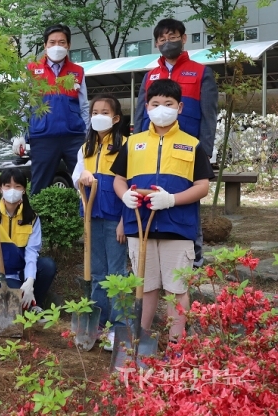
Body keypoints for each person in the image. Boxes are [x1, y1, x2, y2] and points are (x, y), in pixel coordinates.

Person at [111, 79, 214, 342]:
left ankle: (177, 344)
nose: (161, 109)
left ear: (179, 107)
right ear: (146, 107)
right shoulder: (133, 143)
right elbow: (118, 179)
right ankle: (140, 340)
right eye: (156, 104)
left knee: (177, 290)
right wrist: (126, 197)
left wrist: (172, 200)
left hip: (177, 227)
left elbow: (202, 186)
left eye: (168, 104)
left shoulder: (192, 144)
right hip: (139, 226)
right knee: (144, 288)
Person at [133, 18, 218, 268]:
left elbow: (209, 117)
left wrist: (205, 152)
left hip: (187, 150)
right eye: (161, 39)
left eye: (172, 36)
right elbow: (140, 116)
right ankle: (151, 254)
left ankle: (194, 256)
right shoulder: (150, 76)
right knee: (151, 197)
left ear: (184, 38)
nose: (167, 42)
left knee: (188, 200)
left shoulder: (202, 72)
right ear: (156, 43)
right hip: (152, 150)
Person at [71, 94, 127, 350]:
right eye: (94, 112)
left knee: (116, 273)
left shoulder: (126, 146)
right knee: (96, 273)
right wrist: (81, 176)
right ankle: (97, 323)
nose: (98, 116)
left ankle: (118, 326)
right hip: (91, 218)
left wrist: (125, 221)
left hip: (115, 218)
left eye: (104, 112)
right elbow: (76, 180)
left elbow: (131, 185)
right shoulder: (86, 149)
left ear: (115, 118)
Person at [13, 24, 90, 195]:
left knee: (86, 181)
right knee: (39, 186)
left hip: (74, 137)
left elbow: (84, 106)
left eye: (62, 42)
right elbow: (23, 105)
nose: (57, 46)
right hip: (42, 137)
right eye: (52, 42)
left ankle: (88, 220)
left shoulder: (77, 72)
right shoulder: (31, 70)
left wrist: (88, 135)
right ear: (45, 45)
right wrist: (19, 134)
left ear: (68, 45)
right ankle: (35, 221)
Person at [0, 168, 56, 315]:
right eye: (7, 186)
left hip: (20, 270)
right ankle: (23, 303)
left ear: (24, 190)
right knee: (13, 296)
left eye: (17, 186)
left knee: (47, 266)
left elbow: (32, 251)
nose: (12, 190)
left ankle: (33, 303)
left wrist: (30, 280)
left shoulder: (31, 218)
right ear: (0, 188)